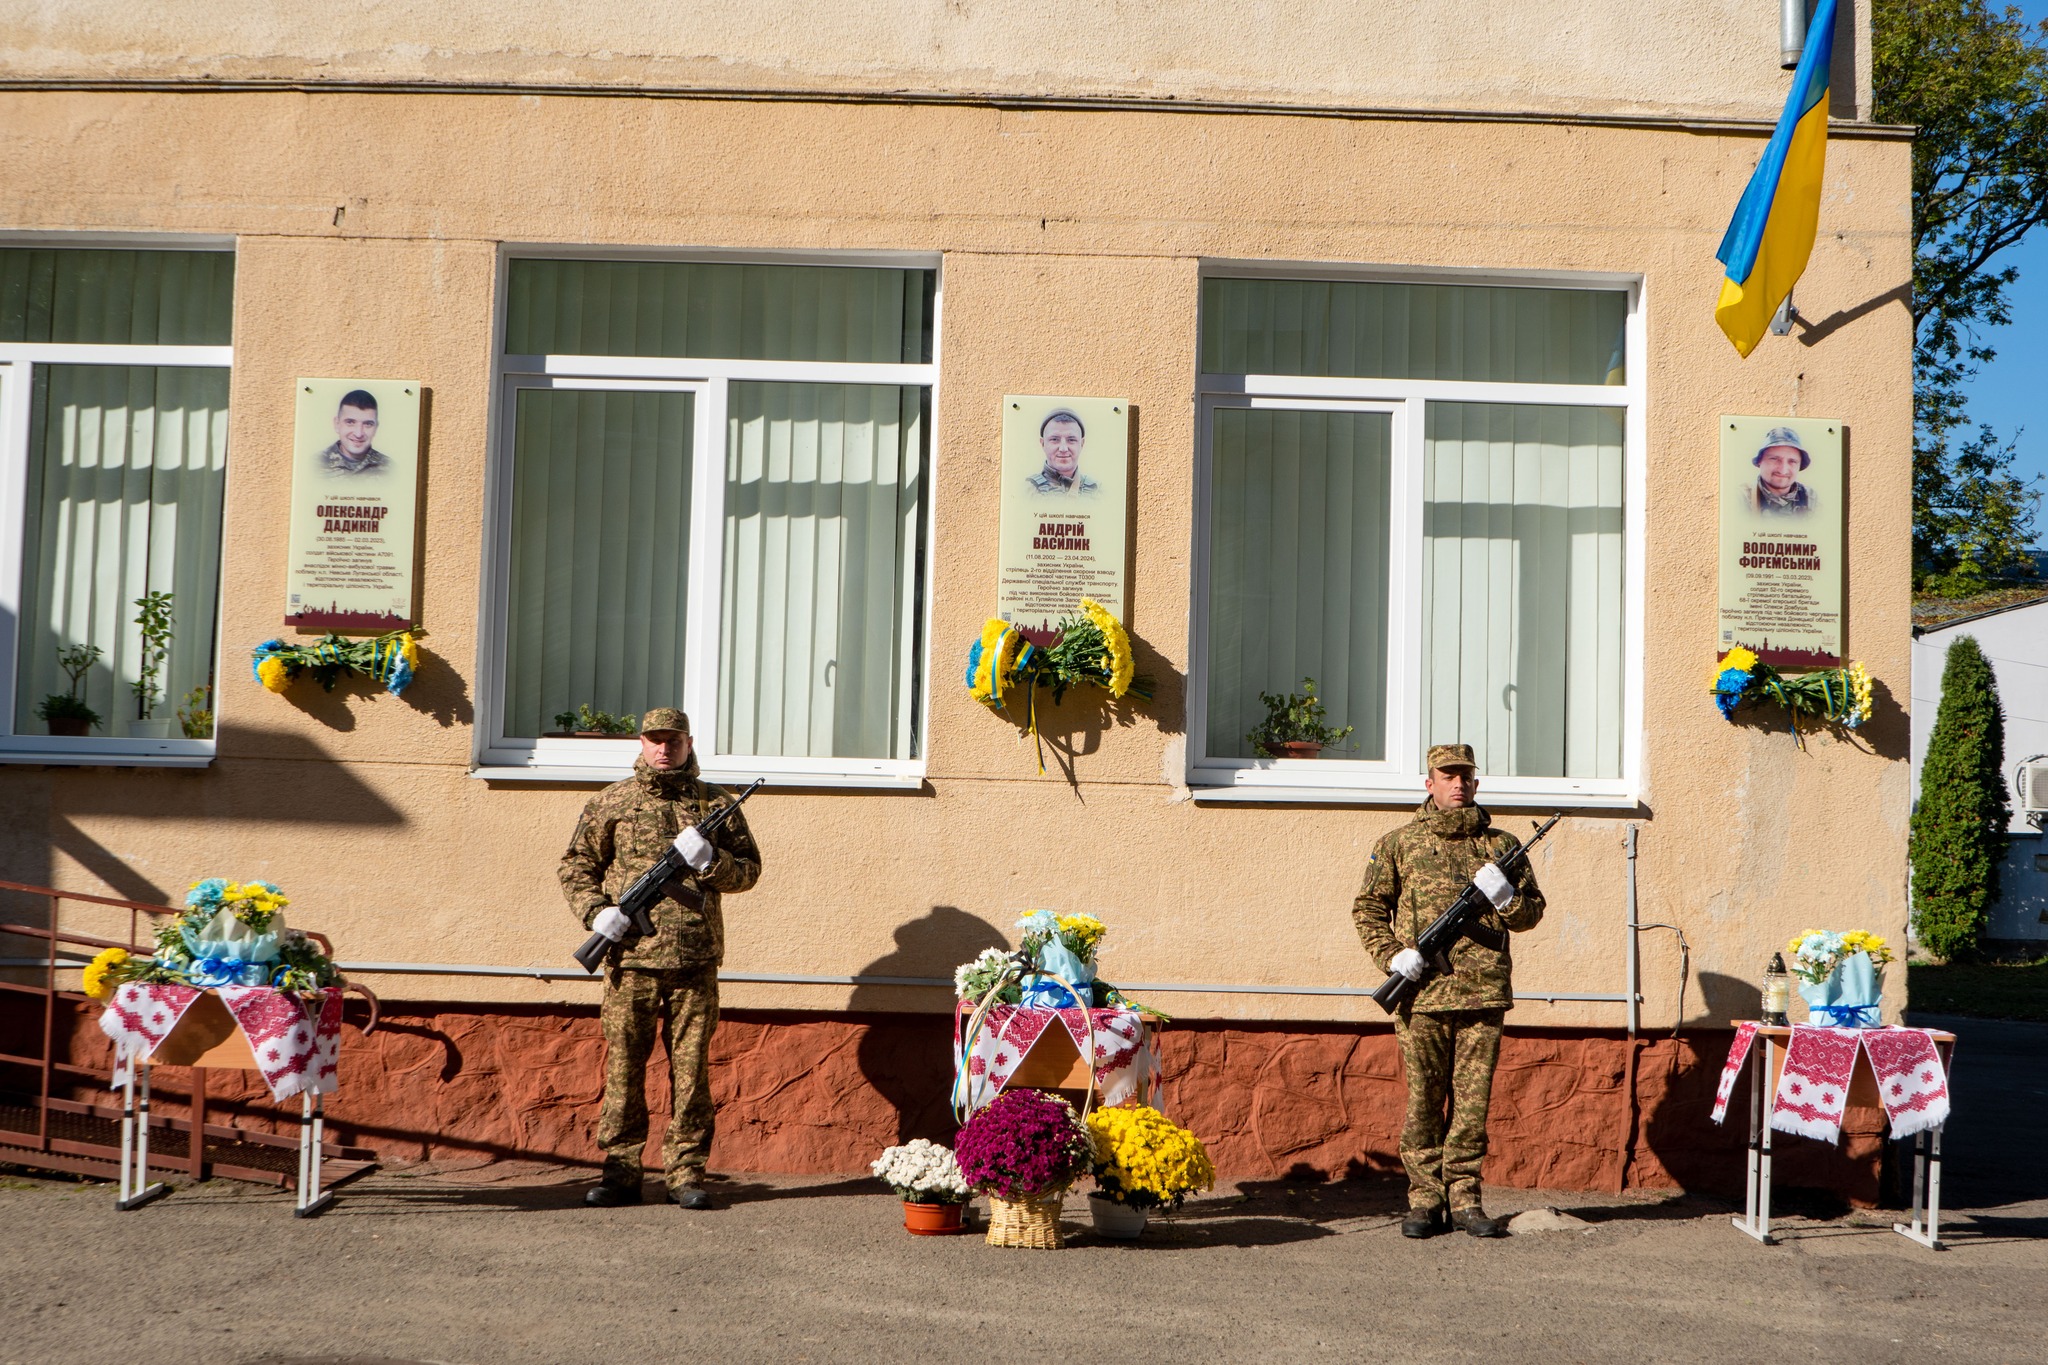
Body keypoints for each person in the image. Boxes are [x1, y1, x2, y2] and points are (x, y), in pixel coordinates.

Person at [559, 707, 763, 1209]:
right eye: (655, 739)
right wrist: (596, 914)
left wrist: (710, 863)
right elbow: (576, 866)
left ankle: (686, 1173)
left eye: (673, 740)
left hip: (694, 962)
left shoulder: (715, 803)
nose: (664, 748)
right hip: (630, 962)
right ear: (642, 742)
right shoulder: (613, 801)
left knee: (692, 1073)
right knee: (624, 1069)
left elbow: (750, 871)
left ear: (688, 742)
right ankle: (621, 1172)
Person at [1351, 742, 1545, 1239]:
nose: (1458, 784)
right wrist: (1392, 955)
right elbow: (1368, 909)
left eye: (1465, 776)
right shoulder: (1399, 844)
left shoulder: (1502, 846)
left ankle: (1465, 1199)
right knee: (1423, 1101)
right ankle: (1424, 1201)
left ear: (1476, 783)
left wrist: (1506, 898)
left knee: (1472, 1104)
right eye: (1447, 775)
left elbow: (1529, 916)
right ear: (1429, 782)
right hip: (1422, 995)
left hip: (1482, 995)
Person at [1742, 426, 1816, 517]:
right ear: (1759, 461)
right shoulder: (1740, 498)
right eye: (1774, 459)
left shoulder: (1812, 499)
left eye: (1792, 461)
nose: (1783, 470)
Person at [1024, 408, 1100, 496]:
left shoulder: (1098, 492)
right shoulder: (1027, 491)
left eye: (1071, 440)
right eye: (1054, 439)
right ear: (1043, 443)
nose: (1063, 449)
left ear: (1082, 444)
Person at [318, 389, 392, 477]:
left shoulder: (391, 469)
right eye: (350, 422)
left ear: (376, 428)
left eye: (368, 424)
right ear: (337, 424)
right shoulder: (314, 465)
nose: (358, 434)